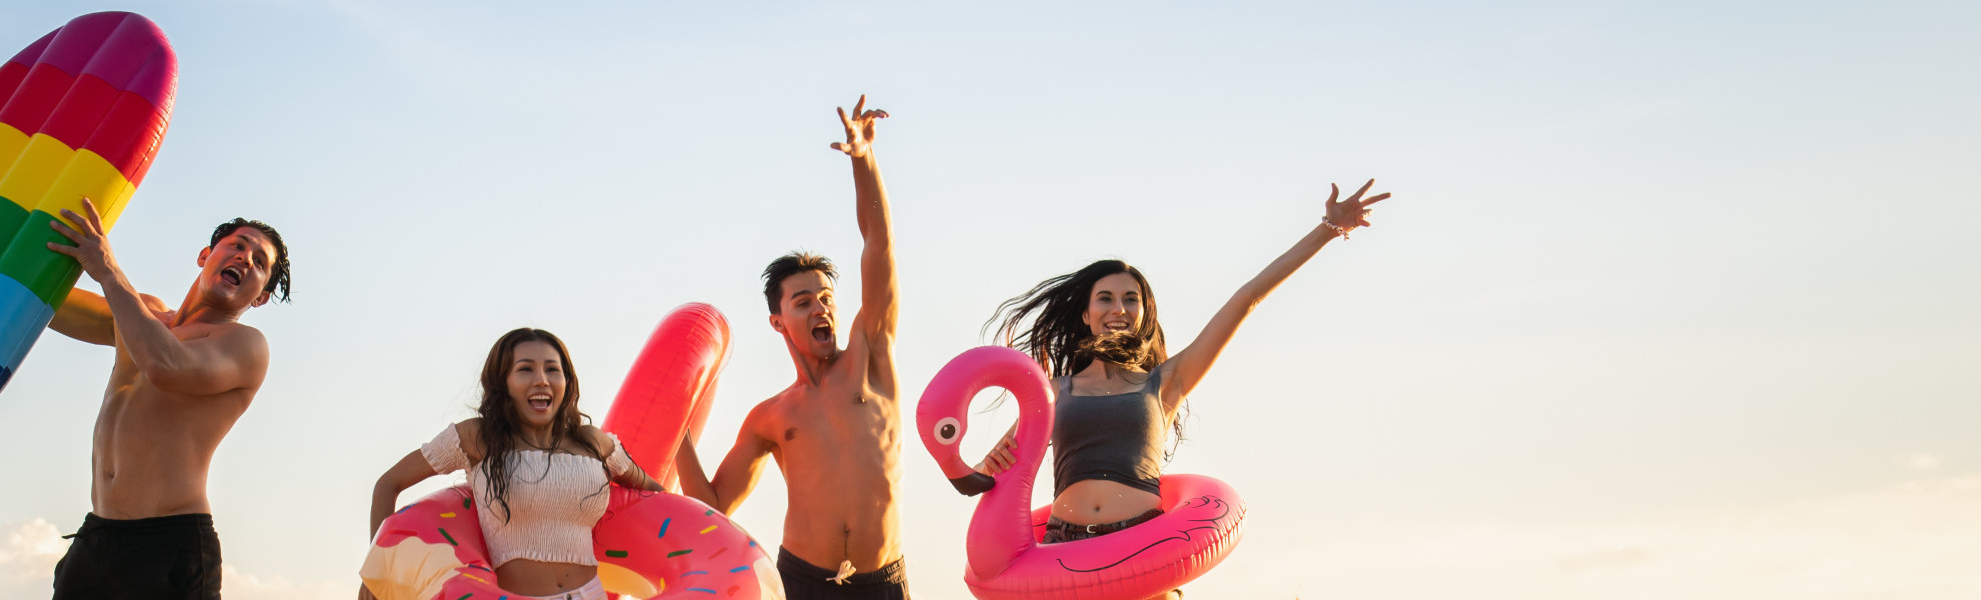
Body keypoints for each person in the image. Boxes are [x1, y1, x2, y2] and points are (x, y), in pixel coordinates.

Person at [967, 180, 1391, 600]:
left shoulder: (1166, 382)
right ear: (1085, 313)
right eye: (1105, 298)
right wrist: (987, 466)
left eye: (1131, 299)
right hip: (1064, 548)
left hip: (1142, 546)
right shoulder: (1052, 391)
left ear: (1143, 314)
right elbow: (989, 476)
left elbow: (1247, 298)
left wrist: (1328, 230)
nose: (1119, 309)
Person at [669, 97, 910, 599]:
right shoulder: (770, 416)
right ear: (777, 322)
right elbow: (713, 507)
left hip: (882, 580)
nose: (821, 308)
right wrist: (677, 431)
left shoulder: (869, 358)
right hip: (802, 580)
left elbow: (879, 244)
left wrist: (864, 160)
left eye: (827, 298)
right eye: (804, 302)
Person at [39, 198, 293, 600]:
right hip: (96, 541)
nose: (245, 258)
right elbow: (39, 303)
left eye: (260, 262)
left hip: (170, 549)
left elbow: (165, 366)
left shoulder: (245, 345)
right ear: (205, 256)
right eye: (237, 245)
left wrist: (108, 270)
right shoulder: (142, 314)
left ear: (260, 297)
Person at [361, 329, 669, 600]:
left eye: (553, 369)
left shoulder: (594, 443)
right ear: (504, 382)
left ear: (566, 380)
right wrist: (379, 570)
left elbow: (658, 497)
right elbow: (388, 484)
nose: (541, 379)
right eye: (525, 369)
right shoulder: (478, 437)